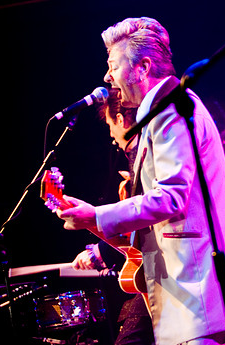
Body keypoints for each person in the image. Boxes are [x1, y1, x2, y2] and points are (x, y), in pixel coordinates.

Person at [55, 16, 225, 345]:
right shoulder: (159, 111)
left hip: (199, 283)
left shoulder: (170, 111)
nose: (107, 76)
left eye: (113, 65)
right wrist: (94, 218)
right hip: (188, 286)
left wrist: (98, 216)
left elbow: (170, 198)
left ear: (142, 67)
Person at [70, 89, 155, 345]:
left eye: (109, 124)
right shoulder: (136, 156)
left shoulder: (145, 153)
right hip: (150, 277)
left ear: (119, 120)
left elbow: (146, 222)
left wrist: (100, 250)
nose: (110, 134)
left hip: (164, 274)